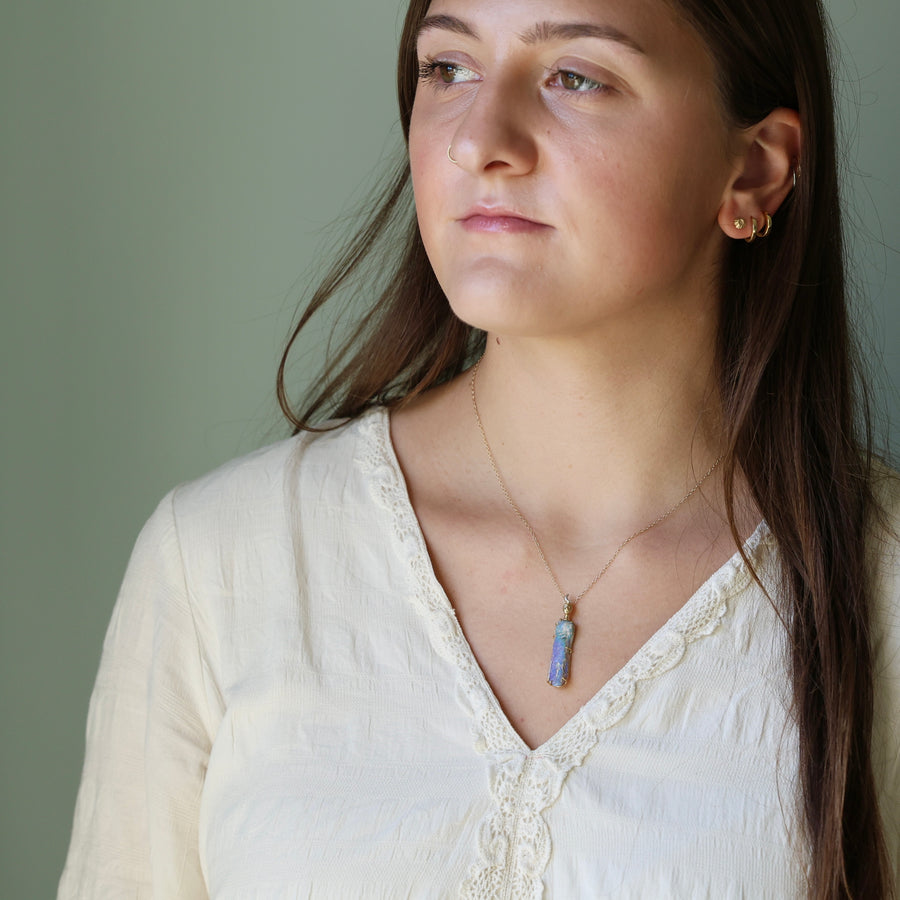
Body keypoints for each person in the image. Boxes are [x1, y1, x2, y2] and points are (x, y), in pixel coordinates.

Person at [60, 0, 899, 896]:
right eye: (446, 68)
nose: (479, 141)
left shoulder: (877, 585)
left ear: (756, 171)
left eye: (576, 76)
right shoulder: (222, 561)